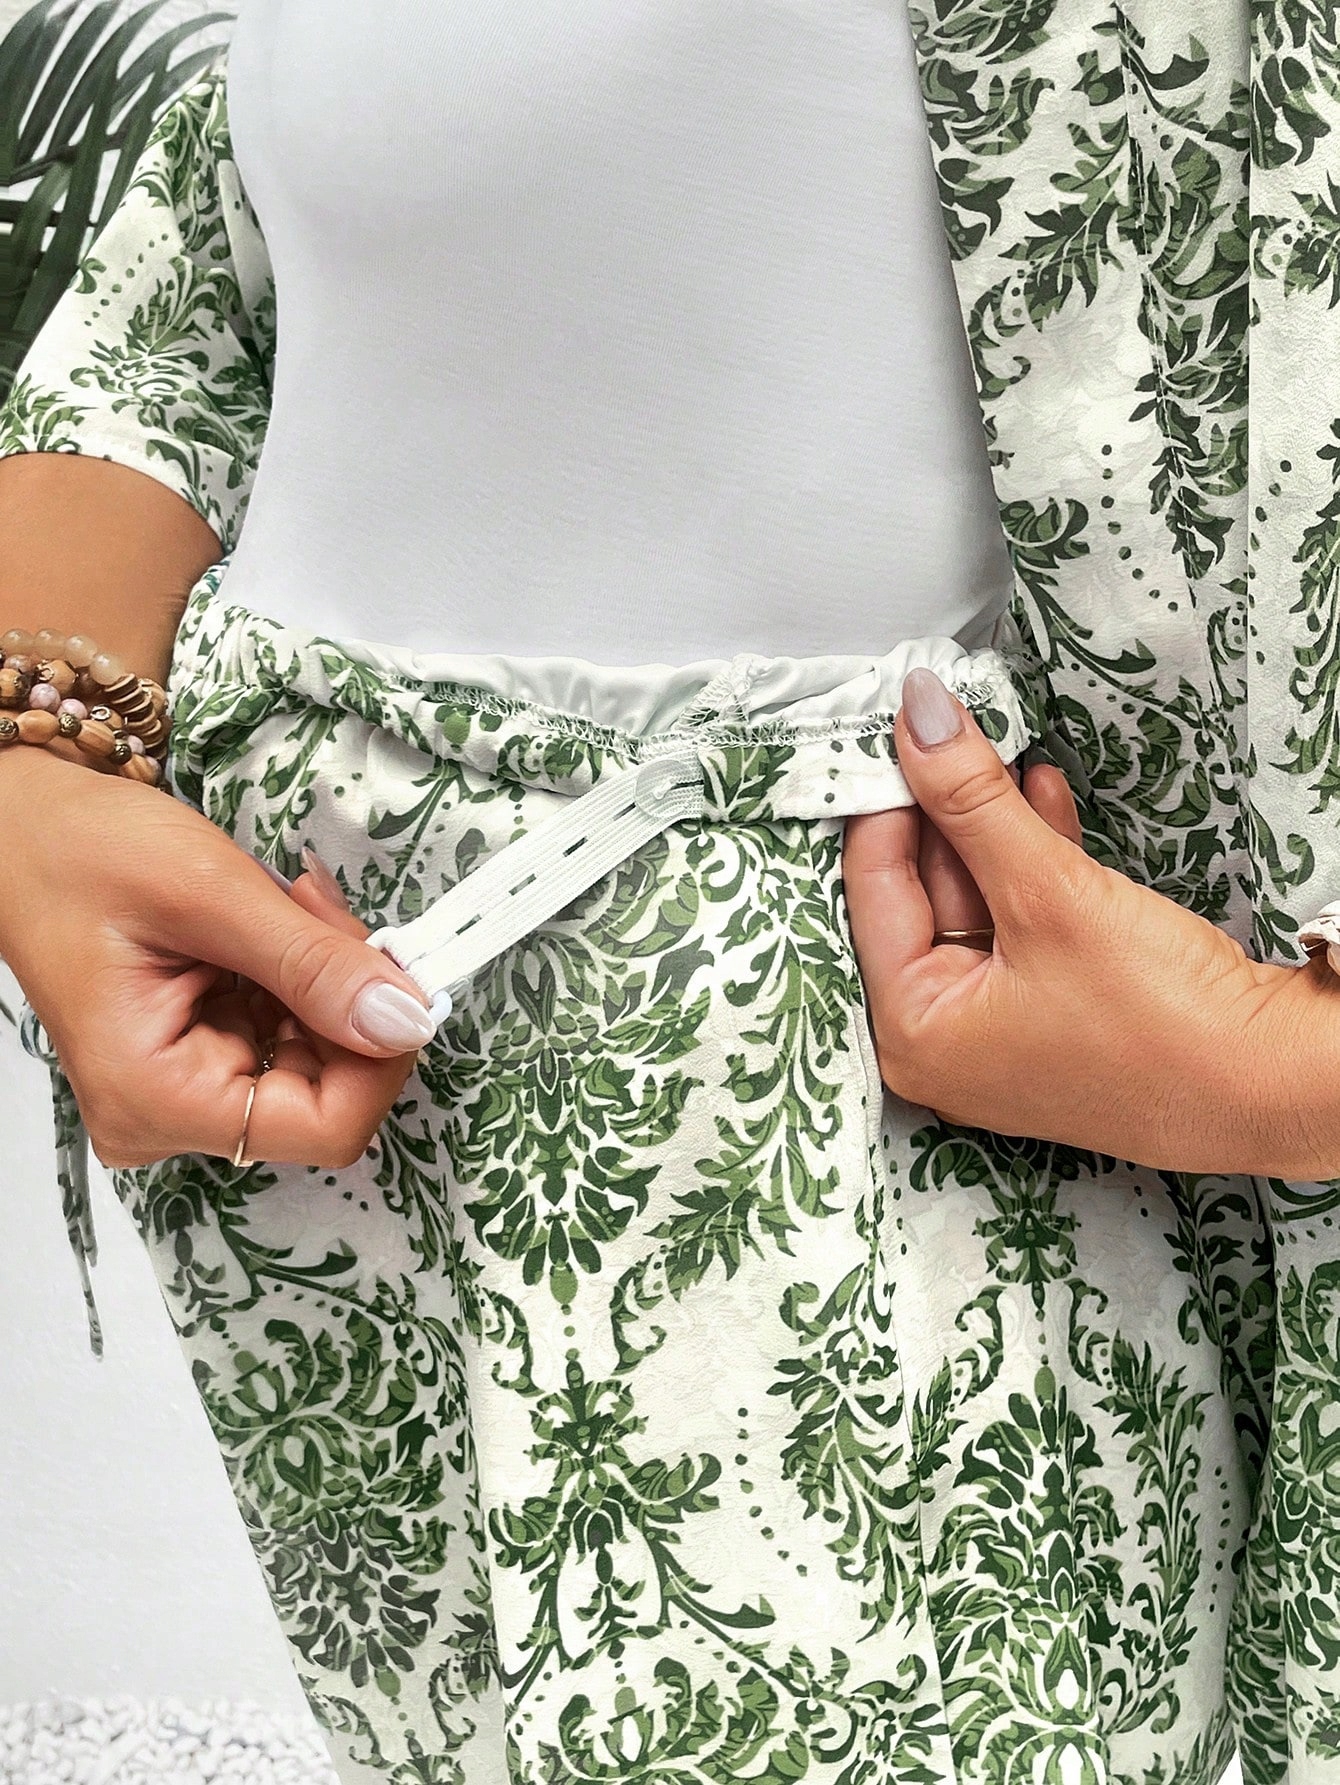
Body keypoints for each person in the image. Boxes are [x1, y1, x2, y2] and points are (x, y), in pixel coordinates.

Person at [0, 3, 1330, 1782]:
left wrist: (1277, 1069)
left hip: (884, 1034)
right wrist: (41, 757)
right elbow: (213, 258)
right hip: (338, 1046)